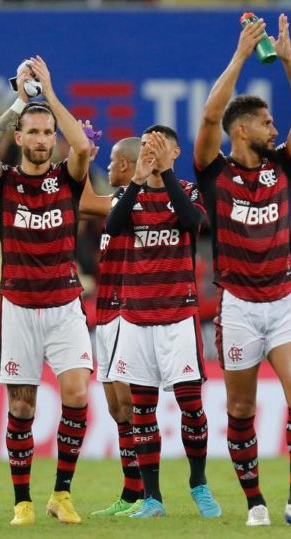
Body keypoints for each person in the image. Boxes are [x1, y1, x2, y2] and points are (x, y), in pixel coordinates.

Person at [193, 13, 291, 526]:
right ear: (243, 129)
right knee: (242, 411)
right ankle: (255, 503)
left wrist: (289, 61)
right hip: (239, 307)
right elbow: (208, 121)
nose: (276, 128)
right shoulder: (214, 172)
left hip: (284, 299)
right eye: (268, 122)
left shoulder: (282, 168)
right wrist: (241, 56)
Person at [0, 56, 95, 525]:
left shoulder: (67, 178)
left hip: (65, 303)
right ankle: (22, 500)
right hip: (19, 306)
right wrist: (17, 105)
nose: (44, 139)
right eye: (36, 132)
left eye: (49, 133)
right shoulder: (4, 183)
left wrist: (49, 91)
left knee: (78, 395)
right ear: (21, 138)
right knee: (22, 405)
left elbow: (83, 145)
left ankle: (61, 493)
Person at [105, 126, 222, 519]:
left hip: (177, 315)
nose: (151, 151)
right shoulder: (130, 194)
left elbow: (193, 224)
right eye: (147, 145)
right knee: (143, 409)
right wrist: (137, 179)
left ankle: (199, 484)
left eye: (160, 146)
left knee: (191, 406)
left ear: (174, 151)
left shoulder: (186, 191)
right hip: (137, 316)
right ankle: (153, 498)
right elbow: (112, 226)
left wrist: (167, 173)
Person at [88, 137, 145, 517]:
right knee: (115, 407)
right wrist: (83, 158)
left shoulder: (140, 203)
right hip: (104, 314)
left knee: (130, 403)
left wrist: (79, 158)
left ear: (126, 165)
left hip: (130, 312)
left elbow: (82, 203)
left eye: (110, 162)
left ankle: (145, 492)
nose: (107, 168)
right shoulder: (116, 202)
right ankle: (129, 492)